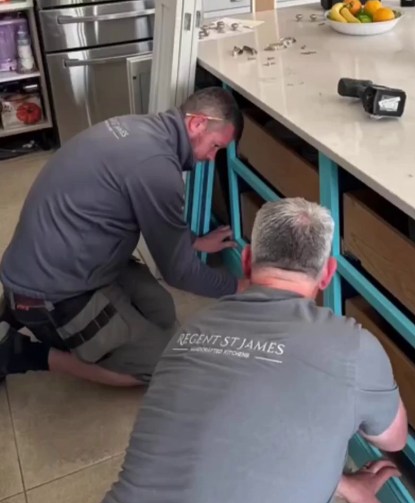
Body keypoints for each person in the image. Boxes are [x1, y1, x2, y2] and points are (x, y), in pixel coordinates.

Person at [61, 197, 408, 503]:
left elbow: (237, 446)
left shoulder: (190, 334)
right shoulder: (354, 349)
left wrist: (344, 485)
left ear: (246, 261)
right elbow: (393, 439)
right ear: (327, 274)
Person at [0, 88, 243, 388]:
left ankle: (15, 309)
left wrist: (192, 241)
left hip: (50, 260)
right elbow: (180, 273)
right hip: (50, 294)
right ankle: (18, 353)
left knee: (162, 312)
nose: (210, 158)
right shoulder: (156, 169)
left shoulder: (139, 129)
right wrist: (239, 286)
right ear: (197, 124)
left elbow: (154, 217)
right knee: (162, 366)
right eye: (216, 146)